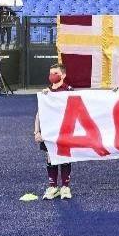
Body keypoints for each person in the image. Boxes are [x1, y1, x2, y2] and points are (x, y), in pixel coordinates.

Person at [35, 64, 74, 200]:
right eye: (51, 73)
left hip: (64, 131)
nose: (52, 76)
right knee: (50, 157)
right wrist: (36, 132)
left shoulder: (69, 91)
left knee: (64, 157)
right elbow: (39, 114)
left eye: (55, 73)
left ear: (63, 75)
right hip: (49, 132)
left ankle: (65, 187)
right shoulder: (46, 93)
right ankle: (53, 187)